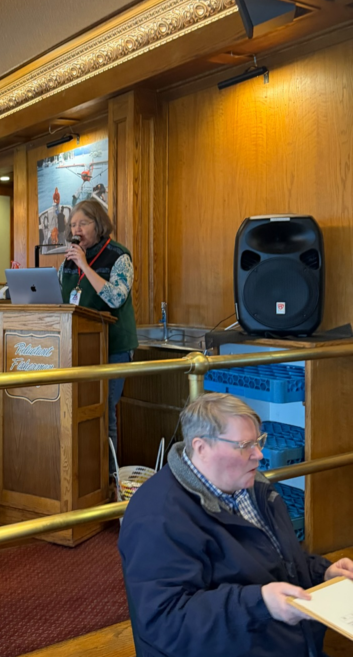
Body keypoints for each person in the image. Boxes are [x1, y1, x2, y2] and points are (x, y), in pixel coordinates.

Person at [119, 392, 353, 657]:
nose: (259, 454)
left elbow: (277, 562)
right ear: (201, 447)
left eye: (259, 442)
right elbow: (167, 622)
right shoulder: (157, 516)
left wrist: (322, 573)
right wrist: (260, 604)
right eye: (245, 445)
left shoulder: (251, 486)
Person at [59, 198, 137, 451]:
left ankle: (110, 478)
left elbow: (116, 297)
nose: (76, 230)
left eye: (83, 223)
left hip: (113, 346)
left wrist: (84, 264)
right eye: (73, 225)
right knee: (81, 411)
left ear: (99, 224)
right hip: (79, 346)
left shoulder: (119, 256)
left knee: (105, 411)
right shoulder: (68, 261)